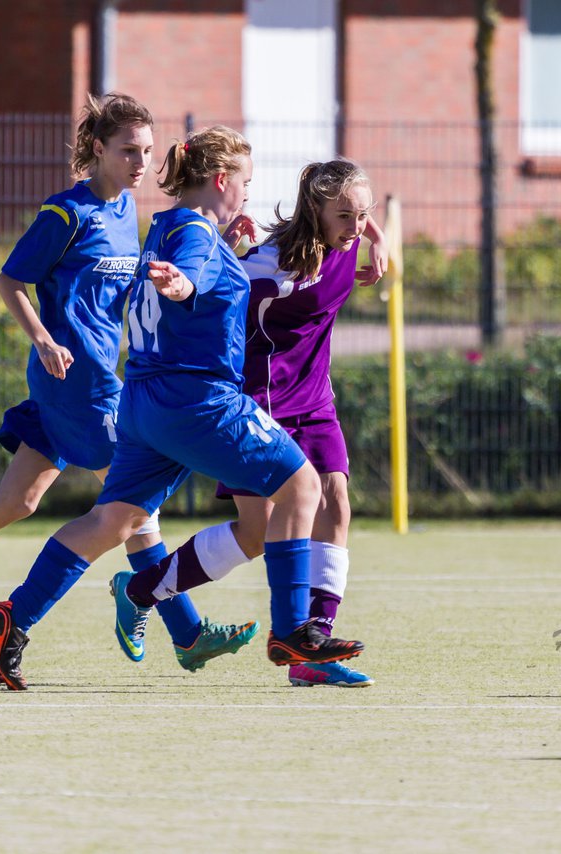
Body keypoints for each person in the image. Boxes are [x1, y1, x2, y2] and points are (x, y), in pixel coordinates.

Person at [0, 93, 256, 689]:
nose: (140, 163)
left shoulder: (127, 214)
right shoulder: (66, 213)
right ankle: (181, 630)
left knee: (13, 503)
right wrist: (42, 336)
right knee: (129, 506)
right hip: (73, 381)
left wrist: (225, 250)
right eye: (128, 151)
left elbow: (146, 290)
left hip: (95, 379)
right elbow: (10, 280)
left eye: (147, 152)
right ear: (98, 149)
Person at [0, 126, 363, 689]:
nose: (249, 196)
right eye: (247, 184)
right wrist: (181, 283)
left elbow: (188, 274)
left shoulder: (161, 225)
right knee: (303, 487)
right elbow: (185, 278)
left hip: (141, 402)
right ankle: (292, 632)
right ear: (222, 180)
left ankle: (14, 617)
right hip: (199, 400)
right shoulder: (195, 236)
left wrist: (203, 267)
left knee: (115, 520)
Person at [214, 159, 385, 687]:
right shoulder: (266, 264)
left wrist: (379, 237)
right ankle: (149, 586)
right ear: (316, 209)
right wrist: (221, 246)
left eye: (364, 215)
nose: (355, 227)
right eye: (346, 216)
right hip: (258, 401)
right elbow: (208, 289)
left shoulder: (352, 242)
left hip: (315, 401)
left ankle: (314, 649)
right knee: (260, 532)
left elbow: (364, 223)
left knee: (336, 501)